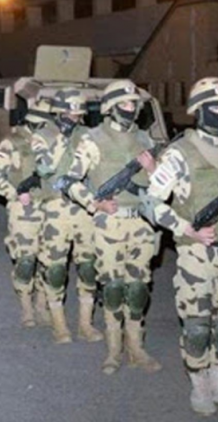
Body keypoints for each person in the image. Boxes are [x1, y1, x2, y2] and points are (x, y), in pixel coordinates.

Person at [142, 77, 218, 415]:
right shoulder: (179, 153)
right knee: (197, 327)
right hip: (197, 255)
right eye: (214, 106)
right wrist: (187, 229)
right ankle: (200, 389)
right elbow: (151, 203)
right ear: (198, 110)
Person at [60, 79, 162, 374]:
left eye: (134, 104)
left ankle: (137, 348)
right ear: (111, 107)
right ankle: (114, 350)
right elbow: (70, 181)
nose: (131, 109)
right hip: (109, 225)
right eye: (125, 104)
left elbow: (164, 187)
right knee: (113, 288)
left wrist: (153, 169)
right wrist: (95, 203)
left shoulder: (145, 139)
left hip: (142, 222)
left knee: (138, 288)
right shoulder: (93, 139)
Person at [31, 88, 103, 344]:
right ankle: (59, 323)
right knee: (55, 267)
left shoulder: (88, 135)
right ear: (58, 112)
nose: (74, 118)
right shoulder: (42, 135)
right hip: (56, 209)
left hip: (84, 208)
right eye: (69, 113)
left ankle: (85, 323)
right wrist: (62, 137)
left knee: (88, 266)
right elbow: (44, 168)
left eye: (78, 114)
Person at [0, 99, 54, 327]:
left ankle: (41, 304)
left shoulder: (54, 141)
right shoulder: (12, 142)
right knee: (26, 260)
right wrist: (15, 193)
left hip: (52, 208)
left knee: (49, 261)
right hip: (24, 209)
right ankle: (26, 306)